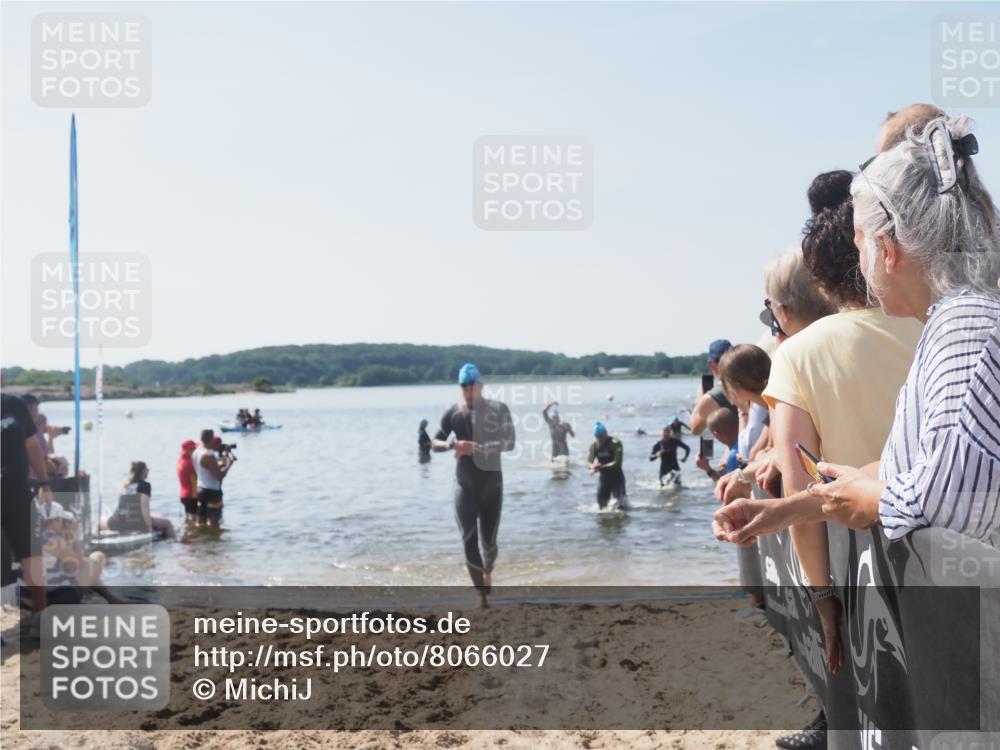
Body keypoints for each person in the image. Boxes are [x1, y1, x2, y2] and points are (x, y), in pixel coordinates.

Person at [432, 363, 515, 605]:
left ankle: (488, 570)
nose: (468, 391)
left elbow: (509, 442)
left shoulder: (499, 409)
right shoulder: (453, 413)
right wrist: (451, 445)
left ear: (481, 385)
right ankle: (481, 594)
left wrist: (475, 448)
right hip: (464, 485)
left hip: (492, 486)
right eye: (463, 386)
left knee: (488, 545)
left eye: (472, 386)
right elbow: (433, 442)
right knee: (468, 539)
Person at [1, 393, 50, 613]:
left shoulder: (15, 405)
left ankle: (41, 615)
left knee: (33, 556)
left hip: (19, 495)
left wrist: (45, 483)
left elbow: (32, 446)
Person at [101, 461, 176, 539]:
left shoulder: (126, 485)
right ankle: (172, 543)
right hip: (137, 521)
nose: (148, 471)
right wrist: (149, 527)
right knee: (168, 524)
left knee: (100, 521)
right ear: (143, 471)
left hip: (119, 521)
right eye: (147, 469)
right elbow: (144, 507)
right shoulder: (145, 485)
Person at [689, 340, 734, 434]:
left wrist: (700, 398)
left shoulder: (716, 394)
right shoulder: (748, 383)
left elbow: (695, 428)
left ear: (712, 365)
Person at [194, 429, 234, 527]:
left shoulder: (196, 452)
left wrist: (218, 464)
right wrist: (229, 464)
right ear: (211, 439)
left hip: (200, 489)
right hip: (212, 491)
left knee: (200, 520)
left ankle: (201, 539)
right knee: (213, 524)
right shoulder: (209, 455)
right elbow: (219, 476)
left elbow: (206, 468)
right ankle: (212, 541)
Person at [587, 422, 627, 509]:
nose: (600, 439)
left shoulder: (616, 443)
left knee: (620, 505)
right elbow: (588, 462)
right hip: (604, 479)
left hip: (617, 478)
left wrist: (601, 467)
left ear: (606, 433)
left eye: (601, 436)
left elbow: (617, 463)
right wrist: (592, 467)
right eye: (597, 437)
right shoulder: (594, 446)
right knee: (600, 506)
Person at [695, 407, 740, 482]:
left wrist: (707, 469)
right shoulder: (748, 440)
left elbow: (727, 490)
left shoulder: (733, 456)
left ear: (717, 434)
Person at [177, 440, 199, 523]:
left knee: (188, 519)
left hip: (183, 495)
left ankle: (187, 534)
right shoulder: (190, 463)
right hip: (192, 496)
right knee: (194, 519)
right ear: (190, 450)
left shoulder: (181, 460)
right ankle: (193, 535)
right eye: (194, 449)